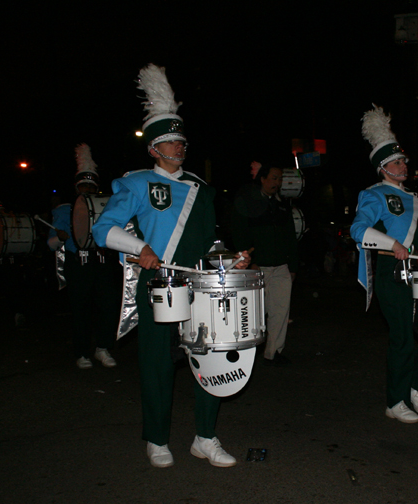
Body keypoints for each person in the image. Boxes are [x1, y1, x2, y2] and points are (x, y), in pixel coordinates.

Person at [92, 64, 250, 467]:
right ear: (153, 148)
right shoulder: (135, 182)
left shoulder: (202, 188)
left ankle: (206, 436)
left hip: (201, 287)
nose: (179, 147)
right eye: (170, 142)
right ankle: (157, 438)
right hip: (159, 285)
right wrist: (139, 247)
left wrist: (231, 257)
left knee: (210, 358)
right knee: (158, 364)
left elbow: (209, 243)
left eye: (181, 141)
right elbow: (103, 229)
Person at [351, 105, 418, 423]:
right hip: (390, 272)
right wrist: (392, 244)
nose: (404, 164)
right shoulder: (374, 195)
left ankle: (415, 389)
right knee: (401, 338)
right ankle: (394, 401)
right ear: (384, 167)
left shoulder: (417, 199)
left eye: (403, 160)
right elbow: (358, 229)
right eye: (397, 161)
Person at [48, 144, 121, 369]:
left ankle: (102, 348)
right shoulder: (64, 211)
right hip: (77, 263)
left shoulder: (107, 207)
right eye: (84, 185)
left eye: (91, 185)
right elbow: (51, 244)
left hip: (102, 263)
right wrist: (60, 237)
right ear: (77, 186)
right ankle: (81, 353)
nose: (87, 189)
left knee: (108, 307)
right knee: (80, 309)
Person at [232, 163, 298, 366]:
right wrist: (250, 263)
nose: (276, 183)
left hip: (280, 268)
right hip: (257, 268)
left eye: (279, 179)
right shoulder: (248, 203)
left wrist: (293, 266)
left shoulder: (282, 206)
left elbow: (290, 238)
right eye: (273, 178)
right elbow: (240, 235)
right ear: (262, 178)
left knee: (280, 311)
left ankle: (273, 352)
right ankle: (245, 352)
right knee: (252, 312)